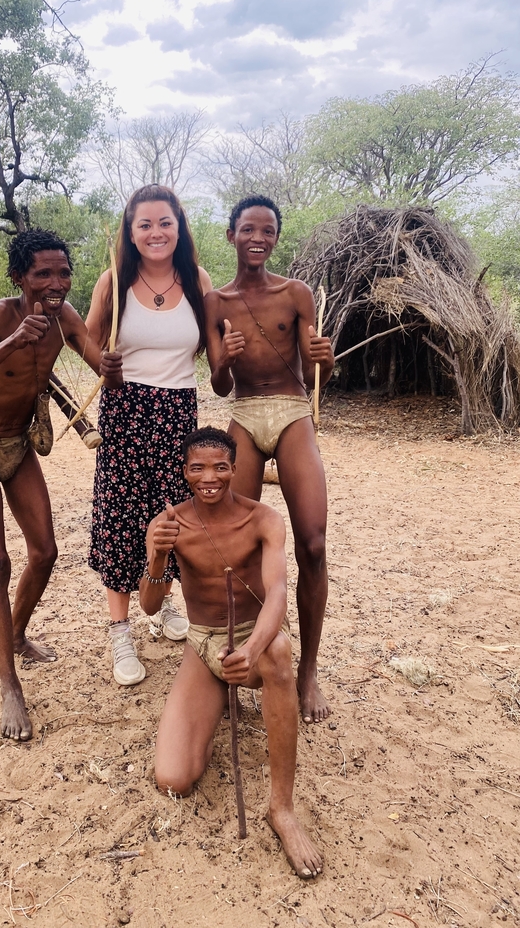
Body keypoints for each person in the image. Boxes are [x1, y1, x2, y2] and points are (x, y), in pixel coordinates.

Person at [0, 228, 122, 741]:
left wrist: (109, 366)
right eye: (43, 273)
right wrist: (11, 342)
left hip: (18, 446)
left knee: (45, 552)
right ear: (19, 276)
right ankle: (9, 686)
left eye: (64, 272)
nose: (56, 282)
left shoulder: (65, 318)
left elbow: (102, 366)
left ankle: (18, 633)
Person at [139, 427, 323, 879]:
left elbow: (278, 593)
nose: (209, 477)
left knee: (279, 652)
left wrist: (251, 648)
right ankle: (218, 697)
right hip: (204, 640)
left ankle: (281, 809)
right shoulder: (168, 524)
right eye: (198, 467)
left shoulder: (264, 519)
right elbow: (148, 604)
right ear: (184, 472)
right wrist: (158, 559)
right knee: (173, 779)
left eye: (220, 467)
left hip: (255, 634)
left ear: (235, 470)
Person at [204, 195, 335, 724]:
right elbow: (218, 381)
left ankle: (307, 673)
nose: (259, 238)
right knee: (235, 546)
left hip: (291, 409)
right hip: (244, 410)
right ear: (232, 234)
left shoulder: (296, 293)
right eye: (249, 230)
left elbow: (315, 371)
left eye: (268, 231)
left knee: (314, 542)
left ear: (276, 237)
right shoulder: (216, 302)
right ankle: (232, 668)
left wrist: (327, 360)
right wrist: (227, 358)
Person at [85, 184, 212, 686]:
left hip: (179, 411)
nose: (156, 232)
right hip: (126, 410)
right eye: (145, 224)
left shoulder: (197, 279)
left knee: (174, 512)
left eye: (165, 223)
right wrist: (106, 367)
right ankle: (121, 631)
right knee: (121, 516)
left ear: (178, 228)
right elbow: (89, 339)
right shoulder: (113, 281)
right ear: (131, 232)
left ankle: (162, 606)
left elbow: (212, 343)